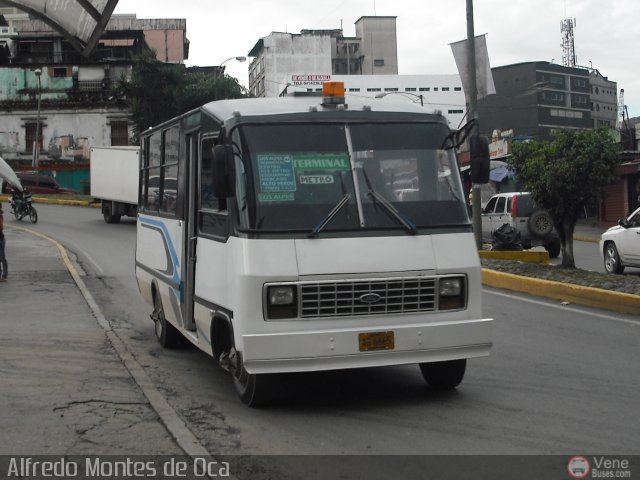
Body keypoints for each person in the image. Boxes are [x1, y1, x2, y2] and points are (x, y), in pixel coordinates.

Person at [0, 203, 7, 282]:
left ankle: (4, 275)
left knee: (2, 258)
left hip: (1, 239)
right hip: (1, 238)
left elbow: (1, 227)